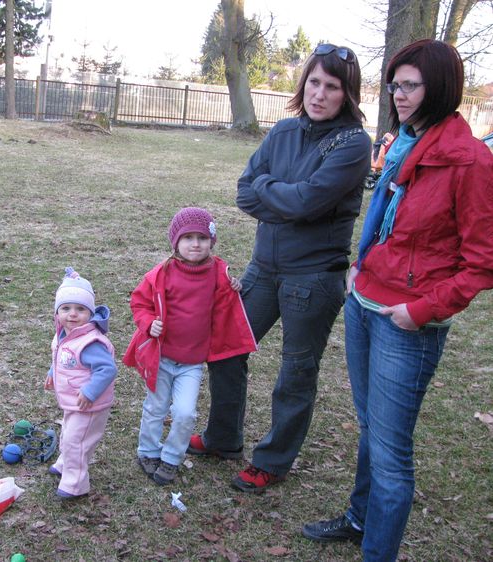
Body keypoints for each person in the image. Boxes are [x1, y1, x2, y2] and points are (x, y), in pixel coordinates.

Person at [302, 39, 493, 561]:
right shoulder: (406, 143)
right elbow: (387, 225)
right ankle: (360, 519)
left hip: (406, 322)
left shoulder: (469, 161)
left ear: (441, 88)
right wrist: (361, 266)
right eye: (394, 85)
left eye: (411, 85)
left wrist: (422, 311)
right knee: (371, 428)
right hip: (365, 304)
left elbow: (482, 263)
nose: (398, 95)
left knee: (390, 454)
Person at [187, 44, 371, 492]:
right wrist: (286, 197)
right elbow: (245, 191)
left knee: (295, 373)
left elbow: (306, 201)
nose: (319, 94)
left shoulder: (354, 144)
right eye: (314, 82)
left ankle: (272, 461)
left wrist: (273, 190)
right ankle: (223, 437)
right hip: (263, 270)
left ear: (347, 94)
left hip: (313, 277)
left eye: (332, 86)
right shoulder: (284, 130)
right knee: (225, 347)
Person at [123, 207, 257, 486]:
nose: (195, 244)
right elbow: (139, 302)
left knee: (185, 413)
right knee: (156, 408)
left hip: (191, 364)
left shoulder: (218, 271)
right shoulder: (161, 273)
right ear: (175, 242)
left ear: (212, 241)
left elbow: (226, 301)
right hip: (162, 358)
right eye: (187, 238)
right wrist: (148, 323)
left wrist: (235, 285)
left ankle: (172, 457)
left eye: (202, 238)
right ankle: (148, 451)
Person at [45, 267, 117, 500]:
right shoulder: (64, 334)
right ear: (57, 312)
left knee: (78, 440)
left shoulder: (90, 342)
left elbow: (107, 369)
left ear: (90, 313)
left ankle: (75, 484)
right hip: (74, 400)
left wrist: (90, 392)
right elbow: (62, 358)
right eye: (65, 308)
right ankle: (66, 462)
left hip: (90, 403)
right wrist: (53, 372)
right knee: (69, 433)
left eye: (80, 309)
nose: (72, 315)